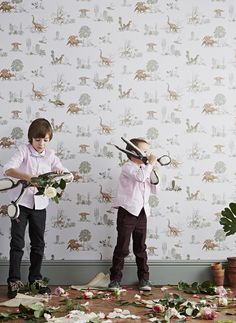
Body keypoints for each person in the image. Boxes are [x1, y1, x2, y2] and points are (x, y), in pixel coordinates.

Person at [3, 118, 69, 298]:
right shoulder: (23, 151)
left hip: (40, 206)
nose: (41, 144)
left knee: (38, 244)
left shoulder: (50, 154)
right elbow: (8, 170)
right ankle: (14, 280)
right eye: (38, 140)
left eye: (45, 140)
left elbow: (62, 171)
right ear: (31, 138)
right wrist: (28, 177)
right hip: (20, 204)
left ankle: (35, 279)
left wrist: (59, 172)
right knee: (17, 244)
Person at [108, 137, 158, 292]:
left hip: (142, 212)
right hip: (127, 212)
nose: (147, 154)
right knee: (122, 247)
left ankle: (144, 279)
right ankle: (115, 279)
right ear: (132, 152)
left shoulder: (146, 168)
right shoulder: (128, 167)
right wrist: (149, 165)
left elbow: (155, 187)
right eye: (144, 151)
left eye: (147, 151)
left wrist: (152, 168)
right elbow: (140, 177)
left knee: (140, 247)